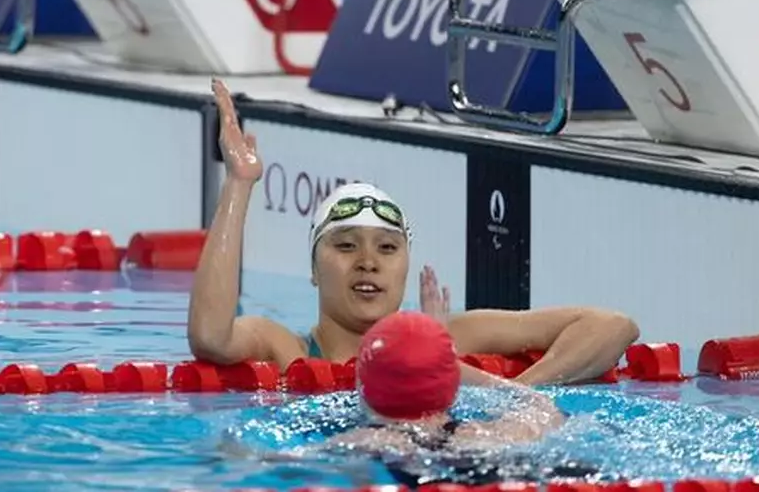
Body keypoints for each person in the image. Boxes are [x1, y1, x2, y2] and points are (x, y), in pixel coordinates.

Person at [188, 78, 641, 387]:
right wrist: (239, 183)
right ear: (312, 268)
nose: (368, 261)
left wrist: (504, 392)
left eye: (387, 247)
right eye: (346, 245)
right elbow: (211, 338)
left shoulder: (450, 336)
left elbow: (613, 327)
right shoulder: (287, 349)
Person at [321, 310, 599, 487]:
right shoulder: (494, 433)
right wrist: (443, 360)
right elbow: (541, 404)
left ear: (363, 384)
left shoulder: (367, 440)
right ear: (452, 386)